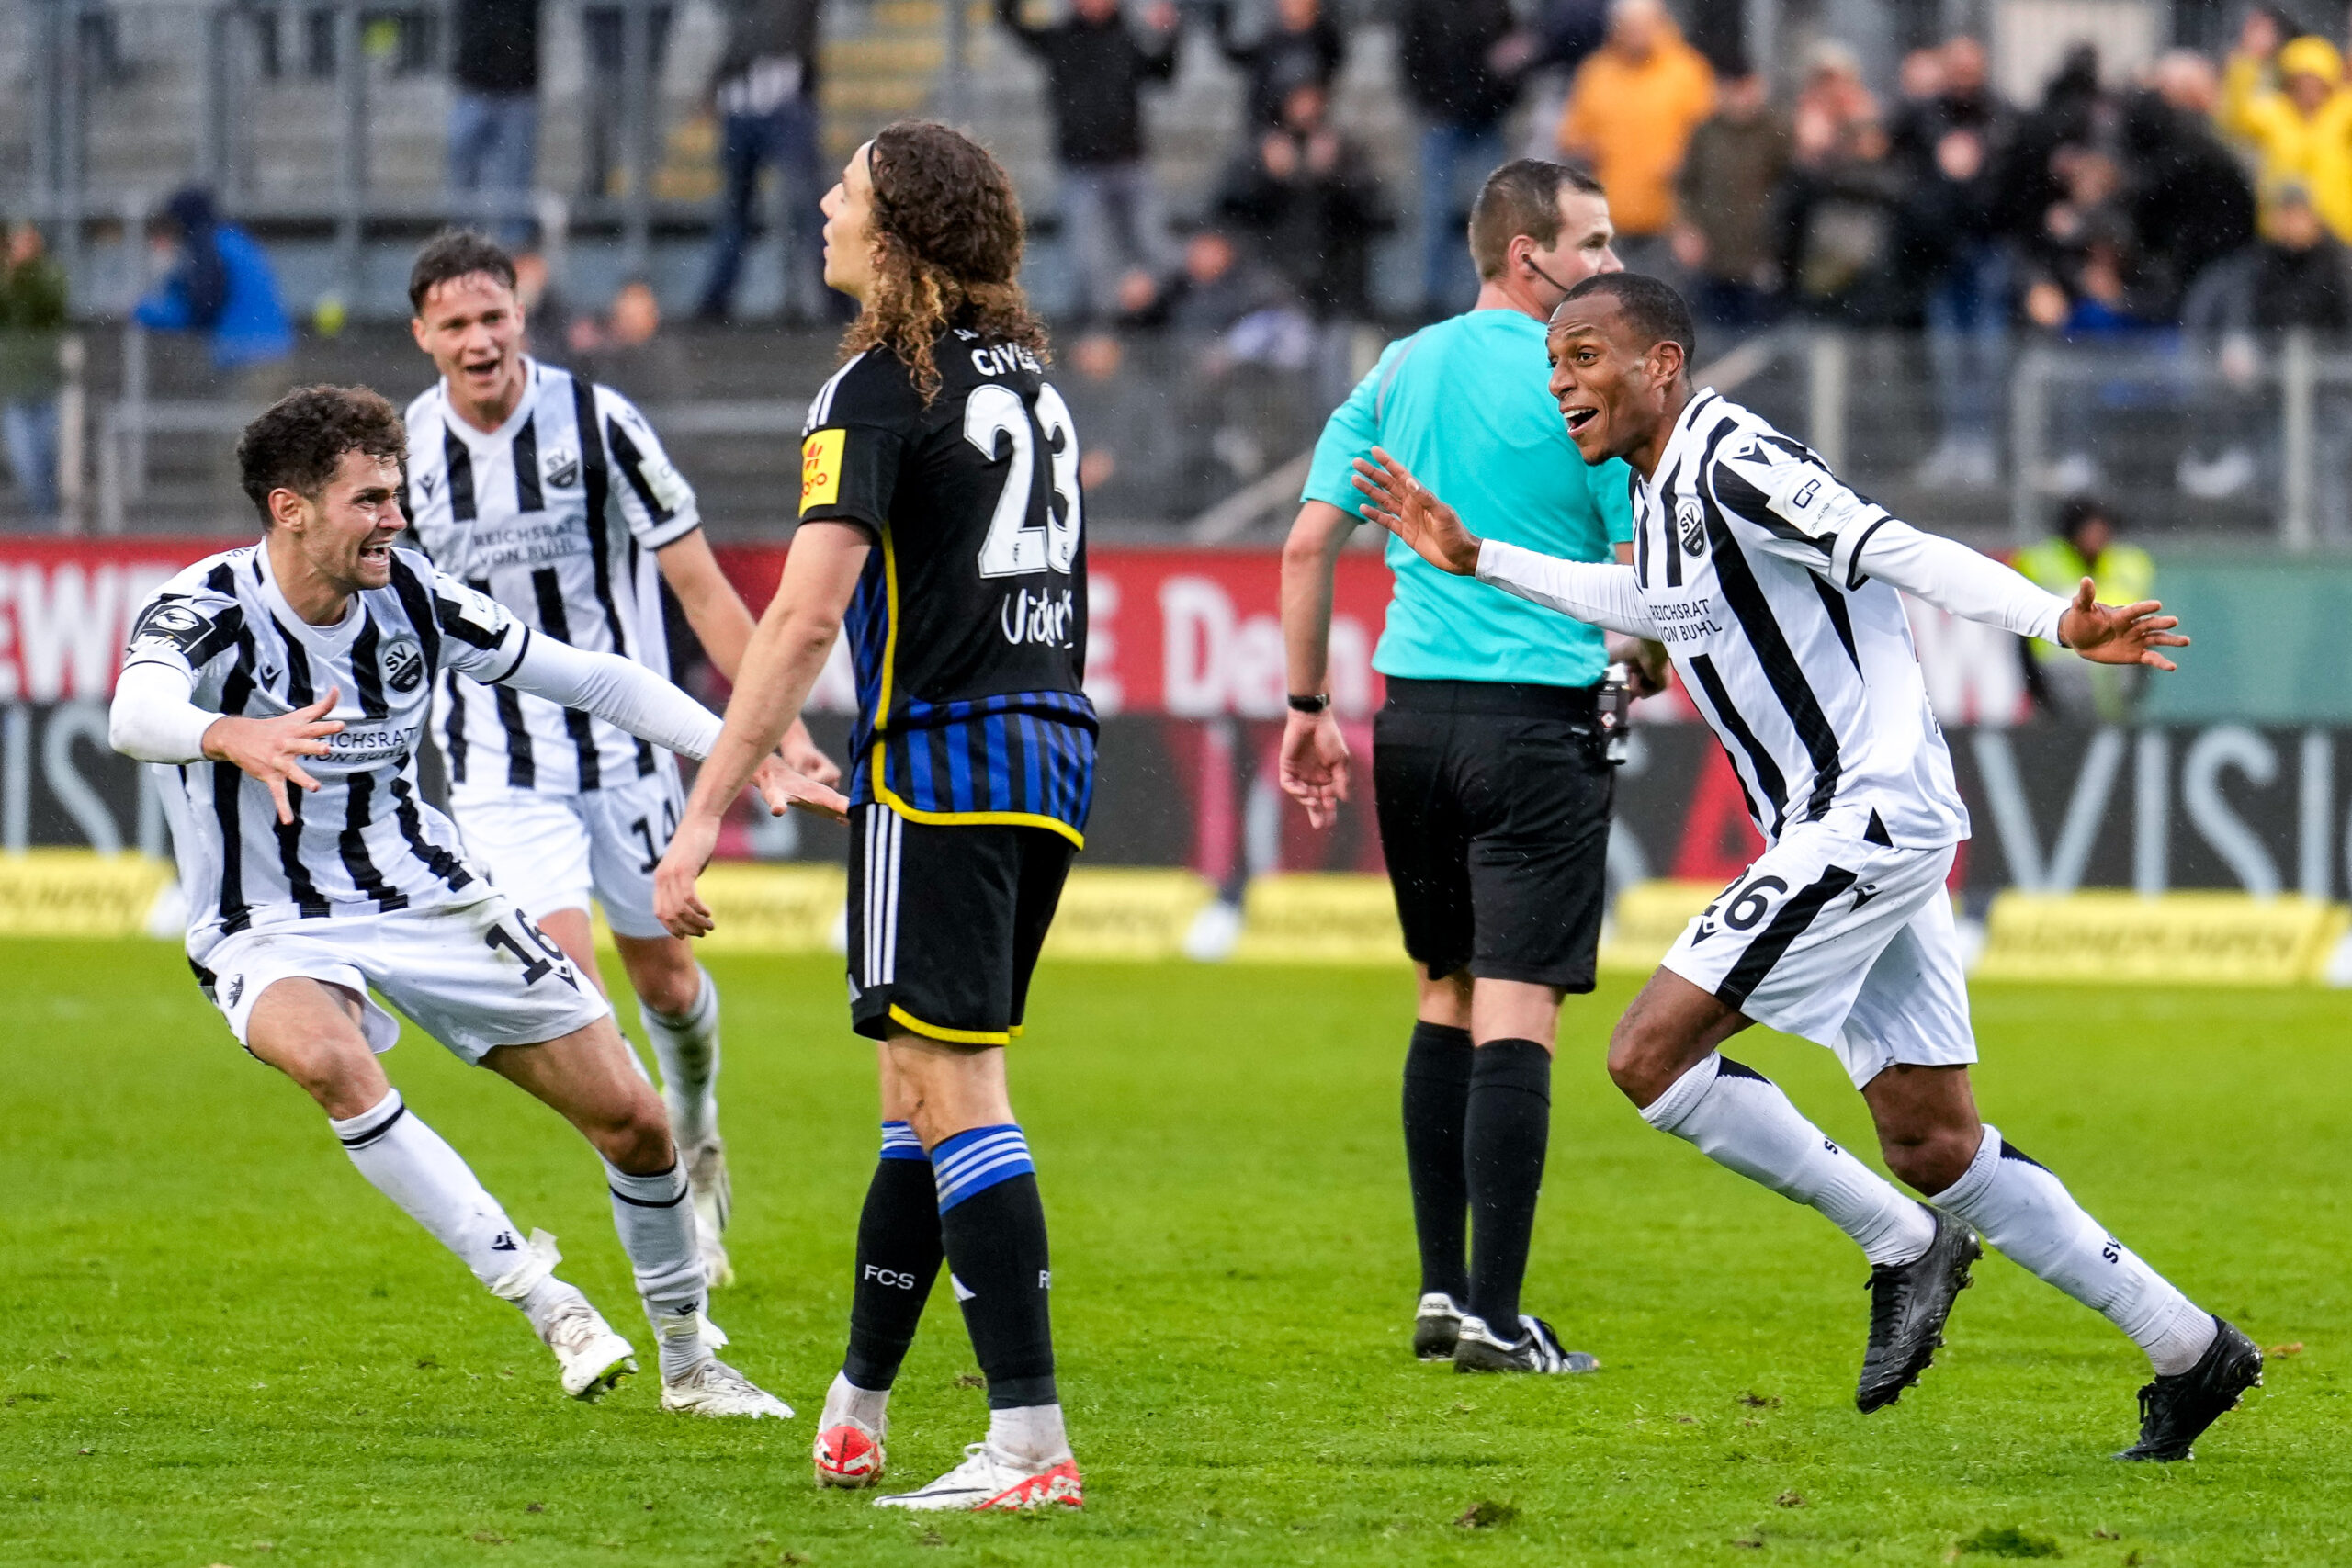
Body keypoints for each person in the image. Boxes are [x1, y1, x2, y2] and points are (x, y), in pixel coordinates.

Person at [1356, 271, 2261, 1461]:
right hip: (1848, 828)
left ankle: (1904, 1244)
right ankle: (2191, 1348)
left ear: (1661, 365)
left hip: (1864, 813)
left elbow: (1892, 547)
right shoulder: (1659, 487)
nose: (1561, 382)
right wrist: (1479, 556)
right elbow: (1655, 600)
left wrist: (2054, 620)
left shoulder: (1735, 459)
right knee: (1933, 1139)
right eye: (1553, 363)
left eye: (1583, 357)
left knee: (1645, 1055)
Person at [107, 384, 808, 1418]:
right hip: (265, 921)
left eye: (396, 495)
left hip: (424, 892)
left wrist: (742, 751)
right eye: (370, 499)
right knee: (332, 1063)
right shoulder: (207, 605)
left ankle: (689, 1362)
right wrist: (229, 733)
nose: (395, 518)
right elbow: (133, 712)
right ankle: (550, 1303)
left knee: (634, 1123)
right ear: (290, 509)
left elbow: (598, 680)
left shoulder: (416, 597)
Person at [654, 121, 1096, 1512]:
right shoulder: (1027, 378)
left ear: (896, 232)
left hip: (941, 763)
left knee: (955, 1090)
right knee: (918, 1088)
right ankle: (858, 1401)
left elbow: (802, 618)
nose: (824, 208)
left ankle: (1027, 1442)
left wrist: (704, 810)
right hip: (1049, 752)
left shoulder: (873, 385)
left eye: (844, 192)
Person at [400, 229, 837, 1289]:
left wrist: (783, 733)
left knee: (669, 983)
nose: (478, 340)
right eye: (455, 324)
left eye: (492, 317)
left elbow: (699, 590)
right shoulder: (401, 456)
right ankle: (674, 1200)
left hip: (627, 751)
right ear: (422, 336)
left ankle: (696, 1123)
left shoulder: (602, 425)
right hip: (500, 766)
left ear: (521, 317)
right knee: (573, 995)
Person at [1278, 159, 1641, 1375]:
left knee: (1444, 992)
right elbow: (1633, 575)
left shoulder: (1399, 368)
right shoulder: (1583, 376)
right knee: (1518, 1008)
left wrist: (1307, 706)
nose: (1611, 263)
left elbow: (1307, 546)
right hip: (1535, 725)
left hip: (1413, 722)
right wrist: (1641, 658)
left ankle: (1441, 1293)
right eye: (1593, 242)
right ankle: (1497, 1313)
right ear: (1527, 255)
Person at [995, 0, 1181, 323]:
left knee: (1156, 247)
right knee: (1092, 260)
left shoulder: (1128, 37)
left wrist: (1169, 35)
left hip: (1129, 162)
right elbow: (1011, 23)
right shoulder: (1061, 38)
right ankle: (1107, 327)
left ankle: (1159, 314)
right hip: (1081, 167)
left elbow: (1163, 73)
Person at [1212, 82, 1393, 323]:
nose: (1307, 109)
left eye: (1313, 99)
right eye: (1299, 99)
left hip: (1337, 279)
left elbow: (1379, 213)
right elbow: (1228, 211)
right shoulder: (1256, 151)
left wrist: (1334, 176)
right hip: (1272, 276)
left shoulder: (1344, 149)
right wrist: (1266, 176)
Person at [693, 0, 828, 323]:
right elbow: (739, 37)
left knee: (804, 208)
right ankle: (716, 302)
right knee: (740, 210)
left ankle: (832, 301)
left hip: (779, 95)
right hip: (746, 96)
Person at [1555, 0, 1713, 270]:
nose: (1637, 35)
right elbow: (1570, 136)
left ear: (1660, 24)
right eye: (1629, 27)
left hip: (1670, 221)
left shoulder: (1687, 71)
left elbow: (1711, 141)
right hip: (1609, 220)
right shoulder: (1596, 72)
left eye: (1644, 26)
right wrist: (1588, 149)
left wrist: (1693, 218)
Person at [1398, 0, 1521, 318]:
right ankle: (1433, 297)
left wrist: (1499, 99)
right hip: (1443, 117)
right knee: (1435, 211)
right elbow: (1411, 53)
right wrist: (1430, 101)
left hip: (1485, 119)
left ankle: (1482, 296)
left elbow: (1512, 55)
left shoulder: (1494, 7)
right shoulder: (1428, 8)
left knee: (1487, 213)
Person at [2015, 496, 2157, 719]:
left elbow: (2144, 626)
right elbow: (2023, 634)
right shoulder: (2039, 563)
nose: (2096, 538)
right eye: (2090, 530)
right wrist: (2037, 688)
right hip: (2060, 679)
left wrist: (2140, 678)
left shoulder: (2130, 564)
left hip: (2117, 681)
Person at [1671, 63, 1792, 328]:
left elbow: (1795, 184)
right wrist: (1686, 229)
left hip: (1761, 256)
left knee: (1759, 331)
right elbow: (1686, 185)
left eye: (1746, 88)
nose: (1740, 97)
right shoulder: (1705, 132)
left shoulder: (1776, 131)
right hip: (1713, 255)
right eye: (1733, 89)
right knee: (1713, 329)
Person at [2217, 17, 2352, 245]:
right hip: (2281, 226)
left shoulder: (2344, 110)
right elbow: (2234, 122)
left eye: (2316, 81)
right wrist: (2247, 62)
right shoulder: (2274, 112)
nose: (2309, 89)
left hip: (2338, 226)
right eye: (2302, 81)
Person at [134, 187, 294, 379]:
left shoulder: (208, 245)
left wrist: (145, 311)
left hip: (246, 355)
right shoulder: (233, 239)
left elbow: (202, 306)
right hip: (271, 349)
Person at [447, 0, 542, 243]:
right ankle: (463, 239)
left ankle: (512, 242)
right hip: (475, 82)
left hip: (517, 84)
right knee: (462, 163)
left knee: (514, 174)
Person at [0, 220, 69, 523]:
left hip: (45, 379)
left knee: (46, 453)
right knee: (25, 457)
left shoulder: (50, 275)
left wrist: (25, 273)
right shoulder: (6, 278)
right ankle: (43, 515)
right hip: (13, 384)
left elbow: (48, 308)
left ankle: (47, 515)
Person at [1212, 0, 1344, 132]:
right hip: (1271, 126)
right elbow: (1237, 56)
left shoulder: (1325, 41)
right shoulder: (1271, 43)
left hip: (1314, 125)